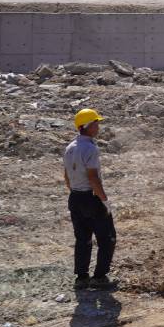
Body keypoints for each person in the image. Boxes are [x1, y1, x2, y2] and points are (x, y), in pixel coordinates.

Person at [64, 108, 116, 290]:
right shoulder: (91, 148)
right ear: (87, 126)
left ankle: (81, 277)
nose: (98, 126)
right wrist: (104, 200)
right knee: (107, 238)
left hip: (75, 198)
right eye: (95, 123)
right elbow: (93, 178)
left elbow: (67, 177)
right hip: (90, 199)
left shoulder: (69, 148)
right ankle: (100, 277)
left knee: (83, 239)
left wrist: (77, 194)